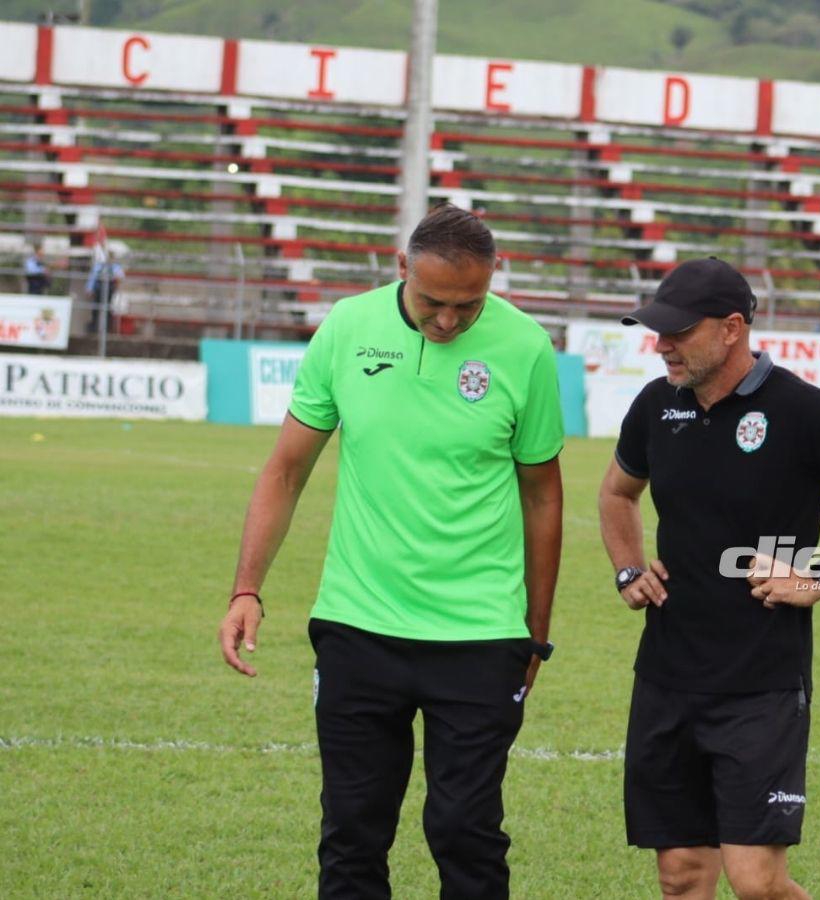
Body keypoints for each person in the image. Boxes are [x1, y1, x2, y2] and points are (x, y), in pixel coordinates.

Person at [218, 204, 565, 899]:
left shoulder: (525, 346)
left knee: (466, 832)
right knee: (352, 833)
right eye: (434, 301)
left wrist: (536, 628)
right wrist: (246, 589)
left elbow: (542, 496)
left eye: (468, 305)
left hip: (479, 631)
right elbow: (286, 470)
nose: (448, 321)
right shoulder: (347, 328)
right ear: (401, 267)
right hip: (357, 626)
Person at [597, 257, 820, 899]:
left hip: (761, 685)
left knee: (757, 882)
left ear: (731, 329)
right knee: (680, 876)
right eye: (656, 330)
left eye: (676, 332)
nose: (659, 345)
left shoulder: (802, 409)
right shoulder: (654, 405)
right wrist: (629, 568)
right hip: (666, 677)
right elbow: (617, 494)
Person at [85, 253, 124, 333]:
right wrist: (89, 289)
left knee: (108, 309)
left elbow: (120, 276)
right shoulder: (98, 266)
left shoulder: (115, 267)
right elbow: (92, 277)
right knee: (95, 309)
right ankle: (93, 327)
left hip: (109, 290)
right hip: (99, 290)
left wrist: (117, 280)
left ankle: (107, 328)